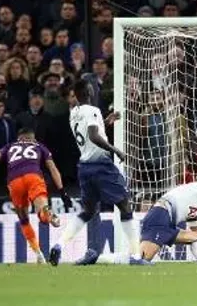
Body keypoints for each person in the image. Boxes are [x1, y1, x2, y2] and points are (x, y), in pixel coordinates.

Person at [48, 80, 142, 266]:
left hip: (84, 166)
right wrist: (116, 150)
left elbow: (89, 134)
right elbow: (92, 136)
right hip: (101, 164)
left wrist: (104, 122)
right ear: (89, 90)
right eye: (91, 86)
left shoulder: (74, 113)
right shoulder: (91, 110)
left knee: (88, 210)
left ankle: (59, 245)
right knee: (124, 205)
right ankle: (137, 257)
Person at [90, 175, 197, 265]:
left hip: (164, 221)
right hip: (160, 217)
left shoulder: (192, 203)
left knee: (196, 237)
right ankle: (96, 258)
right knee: (140, 259)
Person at [0, 127, 72, 263]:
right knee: (42, 210)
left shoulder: (10, 146)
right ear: (33, 138)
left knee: (24, 219)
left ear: (19, 138)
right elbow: (52, 168)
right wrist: (62, 192)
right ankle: (46, 212)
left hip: (14, 181)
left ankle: (38, 254)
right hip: (33, 176)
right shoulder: (39, 146)